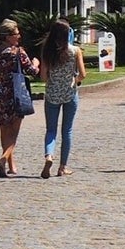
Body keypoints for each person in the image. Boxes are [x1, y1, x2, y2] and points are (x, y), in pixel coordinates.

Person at [0, 19, 39, 176]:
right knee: (14, 132)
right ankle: (3, 159)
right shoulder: (18, 52)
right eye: (16, 34)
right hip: (15, 94)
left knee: (4, 131)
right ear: (8, 36)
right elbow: (32, 71)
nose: (19, 36)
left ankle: (11, 165)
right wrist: (36, 63)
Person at [38, 19, 86, 178]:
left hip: (52, 94)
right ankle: (63, 166)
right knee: (67, 130)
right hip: (69, 94)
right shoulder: (75, 51)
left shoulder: (47, 51)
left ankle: (49, 155)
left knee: (51, 130)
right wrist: (74, 80)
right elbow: (82, 75)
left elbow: (43, 76)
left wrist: (53, 80)